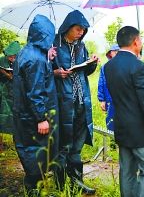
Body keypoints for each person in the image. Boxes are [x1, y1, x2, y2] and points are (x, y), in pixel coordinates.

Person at [104, 26, 144, 197]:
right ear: (136, 42)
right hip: (142, 132)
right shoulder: (140, 67)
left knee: (127, 172)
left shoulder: (109, 67)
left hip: (122, 127)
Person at [12, 15, 59, 195]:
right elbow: (35, 90)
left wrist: (49, 57)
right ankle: (33, 189)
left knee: (29, 149)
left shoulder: (28, 52)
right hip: (32, 116)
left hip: (23, 113)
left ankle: (33, 186)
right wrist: (41, 118)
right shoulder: (36, 60)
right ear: (44, 35)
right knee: (34, 152)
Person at [52, 10, 98, 194]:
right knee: (63, 145)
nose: (81, 32)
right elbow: (43, 72)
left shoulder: (81, 46)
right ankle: (60, 185)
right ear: (68, 27)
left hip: (81, 101)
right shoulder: (54, 46)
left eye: (83, 30)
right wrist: (55, 73)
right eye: (78, 29)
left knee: (77, 146)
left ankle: (77, 183)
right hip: (63, 102)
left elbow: (84, 71)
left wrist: (92, 63)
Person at [0, 40, 21, 147]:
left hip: (15, 92)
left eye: (14, 57)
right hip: (3, 91)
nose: (12, 59)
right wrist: (4, 73)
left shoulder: (22, 61)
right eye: (10, 57)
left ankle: (17, 140)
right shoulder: (1, 60)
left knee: (14, 116)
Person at [97, 44, 120, 131]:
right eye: (114, 52)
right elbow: (101, 83)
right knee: (110, 121)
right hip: (109, 99)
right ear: (110, 53)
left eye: (118, 51)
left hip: (122, 100)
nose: (116, 53)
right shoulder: (105, 67)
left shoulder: (124, 66)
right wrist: (102, 100)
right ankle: (112, 141)